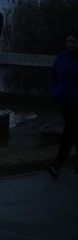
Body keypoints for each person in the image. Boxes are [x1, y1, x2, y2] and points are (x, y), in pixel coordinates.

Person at [47, 32, 78, 179]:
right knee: (74, 131)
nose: (70, 44)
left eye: (74, 42)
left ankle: (57, 164)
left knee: (69, 130)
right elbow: (53, 75)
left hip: (76, 103)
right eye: (69, 41)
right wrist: (55, 90)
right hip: (63, 101)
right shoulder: (61, 57)